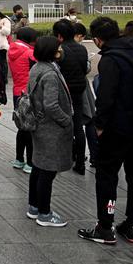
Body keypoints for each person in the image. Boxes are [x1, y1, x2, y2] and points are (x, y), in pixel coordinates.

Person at [78, 16, 133, 246]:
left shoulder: (110, 59)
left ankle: (105, 226)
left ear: (98, 40)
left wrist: (99, 125)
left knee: (107, 174)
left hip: (117, 128)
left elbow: (106, 98)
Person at [25, 36, 74, 228]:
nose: (61, 50)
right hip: (50, 128)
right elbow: (51, 105)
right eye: (58, 48)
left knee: (38, 166)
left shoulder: (37, 68)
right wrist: (66, 120)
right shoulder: (51, 74)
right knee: (47, 170)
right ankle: (44, 213)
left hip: (39, 125)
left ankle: (34, 206)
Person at [53, 19, 91, 175]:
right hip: (79, 91)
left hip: (63, 92)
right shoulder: (82, 49)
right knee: (78, 127)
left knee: (61, 125)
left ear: (60, 36)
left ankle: (64, 158)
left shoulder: (60, 51)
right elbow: (84, 69)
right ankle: (80, 162)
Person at [8, 27, 37, 173]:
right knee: (31, 128)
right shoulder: (30, 53)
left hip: (17, 92)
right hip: (29, 93)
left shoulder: (12, 49)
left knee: (22, 126)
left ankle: (19, 159)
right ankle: (31, 162)